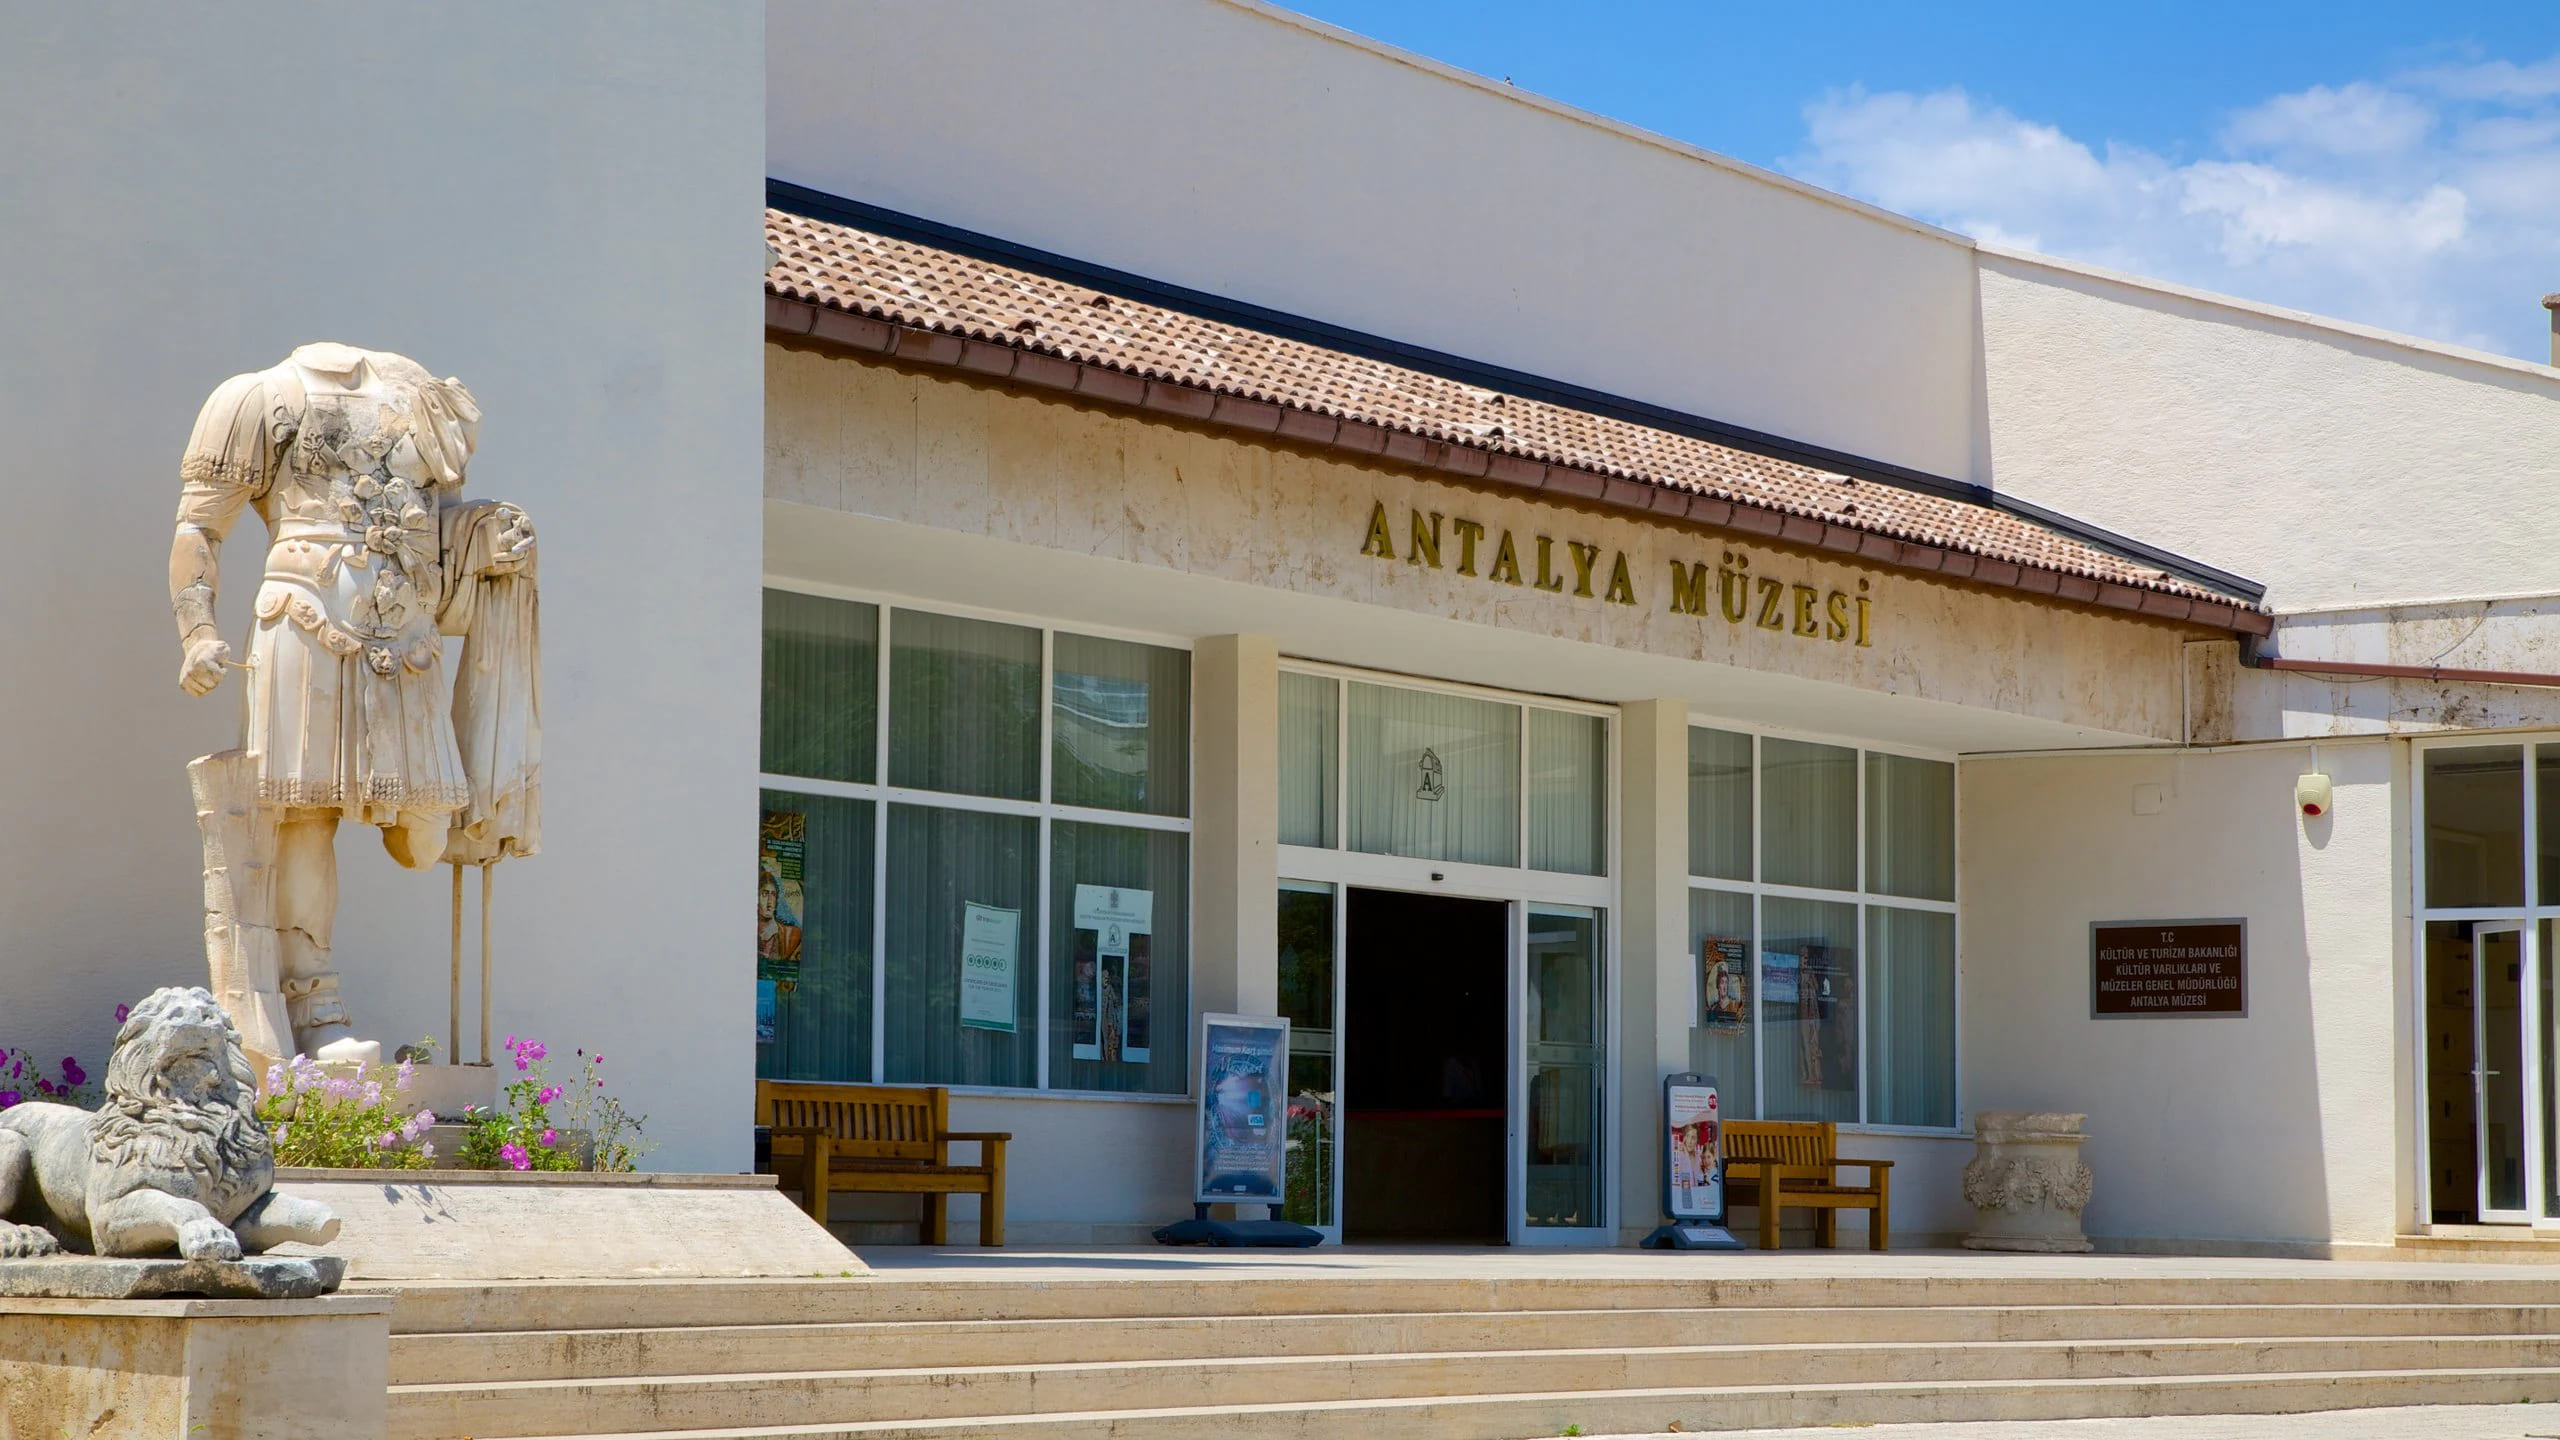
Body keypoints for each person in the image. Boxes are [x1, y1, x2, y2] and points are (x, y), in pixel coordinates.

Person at [172, 344, 539, 1065]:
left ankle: (317, 997)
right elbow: (199, 528)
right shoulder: (258, 398)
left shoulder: (418, 393)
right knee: (307, 817)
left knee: (427, 828)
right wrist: (198, 633)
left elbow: (438, 526)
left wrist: (486, 538)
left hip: (405, 630)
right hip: (303, 615)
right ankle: (316, 1006)